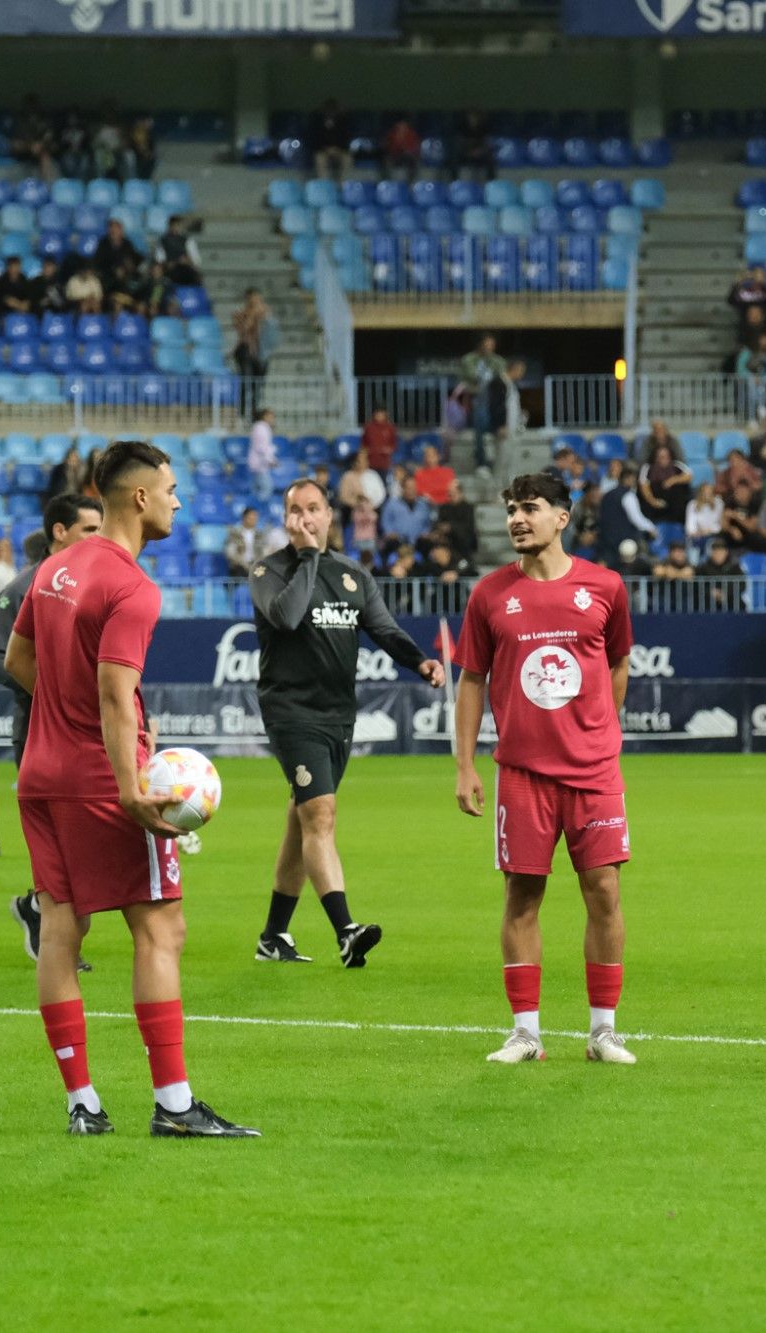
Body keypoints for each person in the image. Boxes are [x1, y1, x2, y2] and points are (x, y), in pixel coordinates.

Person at [4, 440, 257, 1138]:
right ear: (140, 497)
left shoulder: (54, 569)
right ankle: (175, 1104)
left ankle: (82, 1102)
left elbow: (15, 660)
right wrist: (129, 789)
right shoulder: (132, 587)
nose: (179, 500)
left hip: (38, 774)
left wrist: (62, 712)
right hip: (97, 781)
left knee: (60, 927)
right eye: (171, 488)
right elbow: (119, 696)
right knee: (160, 927)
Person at [453, 473, 637, 1066]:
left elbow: (618, 662)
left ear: (562, 517)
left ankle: (603, 1031)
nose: (517, 519)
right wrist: (464, 764)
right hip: (523, 775)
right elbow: (472, 681)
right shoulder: (488, 595)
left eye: (530, 508)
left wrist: (601, 728)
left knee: (603, 891)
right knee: (522, 895)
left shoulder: (605, 587)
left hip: (593, 772)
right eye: (511, 509)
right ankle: (526, 1033)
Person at [248, 479, 446, 967]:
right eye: (294, 510)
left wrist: (420, 661)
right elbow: (288, 618)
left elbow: (382, 628)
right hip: (291, 711)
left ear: (329, 514)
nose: (304, 518)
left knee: (303, 819)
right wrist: (310, 558)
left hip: (339, 712)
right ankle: (346, 931)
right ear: (286, 518)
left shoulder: (353, 575)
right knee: (321, 815)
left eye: (313, 509)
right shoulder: (267, 571)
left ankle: (273, 936)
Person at [0, 497, 104, 964]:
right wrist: (49, 687)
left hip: (92, 729)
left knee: (84, 841)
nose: (97, 537)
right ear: (59, 531)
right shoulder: (23, 589)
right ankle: (56, 933)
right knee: (61, 841)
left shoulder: (97, 585)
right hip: (40, 730)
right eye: (88, 529)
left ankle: (34, 908)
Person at [459, 334, 510, 475]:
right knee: (480, 429)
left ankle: (497, 463)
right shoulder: (469, 359)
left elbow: (501, 378)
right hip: (476, 398)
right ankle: (481, 463)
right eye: (487, 345)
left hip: (494, 400)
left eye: (492, 345)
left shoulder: (498, 361)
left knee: (499, 431)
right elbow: (469, 377)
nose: (489, 348)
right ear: (480, 345)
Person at [247, 408, 278, 498]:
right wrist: (270, 460)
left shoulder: (260, 427)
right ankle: (258, 508)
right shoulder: (261, 428)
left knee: (256, 489)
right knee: (267, 488)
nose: (273, 419)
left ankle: (254, 507)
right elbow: (261, 448)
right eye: (271, 417)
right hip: (260, 464)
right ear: (265, 417)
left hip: (259, 463)